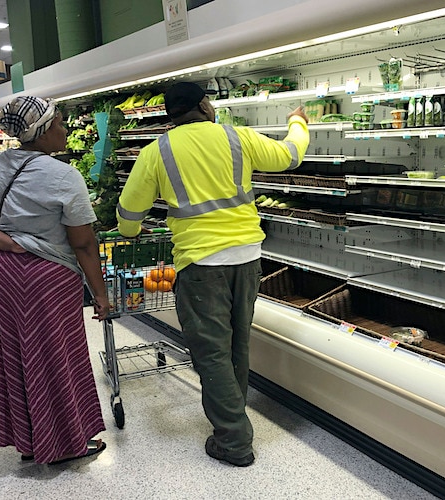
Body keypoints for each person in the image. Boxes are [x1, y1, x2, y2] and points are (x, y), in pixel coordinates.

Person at [116, 81, 309, 466]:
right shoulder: (238, 138)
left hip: (201, 264)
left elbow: (127, 219)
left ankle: (233, 440)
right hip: (247, 257)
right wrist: (298, 123)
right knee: (236, 343)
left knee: (211, 352)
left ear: (170, 114)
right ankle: (233, 419)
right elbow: (290, 156)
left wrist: (136, 230)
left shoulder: (157, 152)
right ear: (205, 106)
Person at [0, 96, 109, 465]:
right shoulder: (63, 175)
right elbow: (83, 243)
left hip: (6, 272)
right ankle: (62, 445)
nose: (63, 129)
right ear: (41, 131)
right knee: (57, 357)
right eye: (58, 122)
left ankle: (30, 439)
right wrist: (101, 296)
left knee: (17, 356)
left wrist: (8, 242)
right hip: (49, 277)